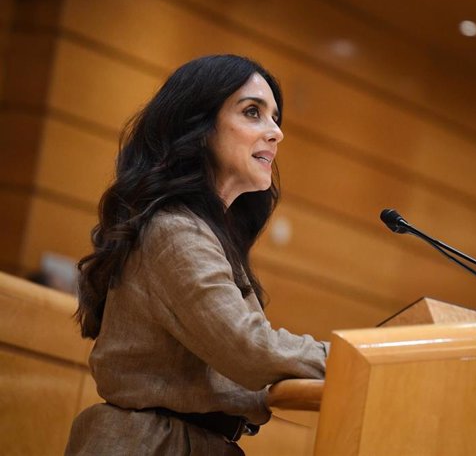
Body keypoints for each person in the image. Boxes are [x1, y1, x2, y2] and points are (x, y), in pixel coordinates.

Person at [65, 55, 329, 455]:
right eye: (253, 112)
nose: (276, 133)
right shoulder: (175, 230)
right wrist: (352, 356)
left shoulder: (204, 231)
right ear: (199, 126)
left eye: (275, 118)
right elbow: (248, 350)